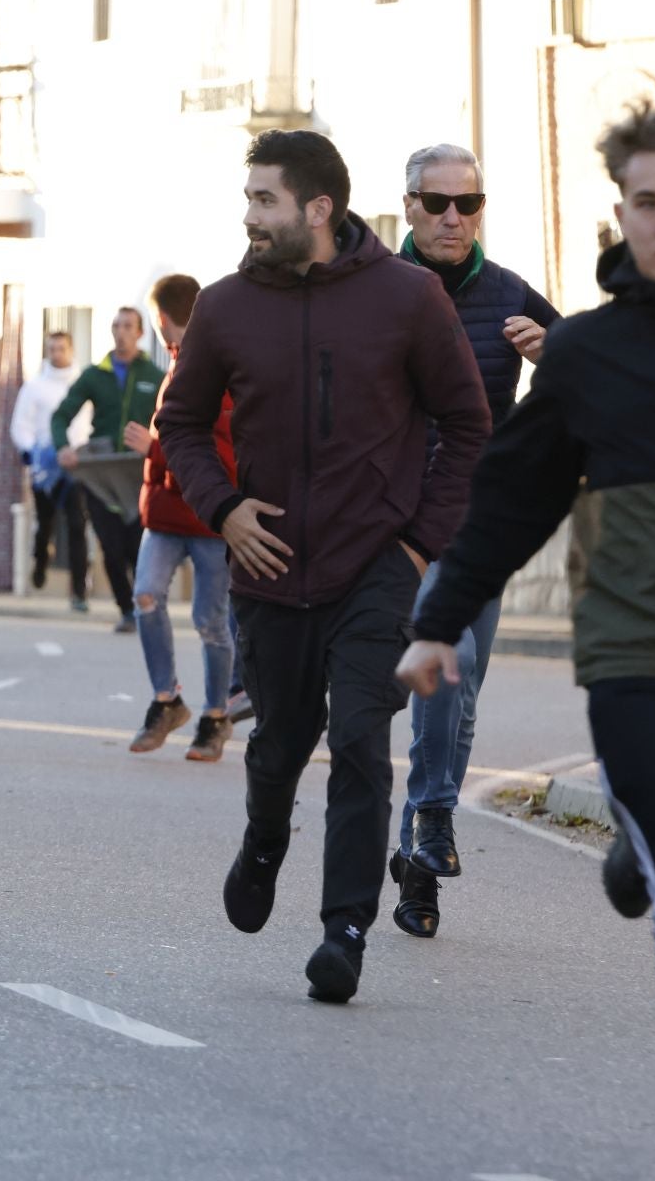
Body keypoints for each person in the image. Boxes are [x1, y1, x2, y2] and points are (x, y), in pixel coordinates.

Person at [398, 99, 655, 1145]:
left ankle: (638, 838)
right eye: (649, 203)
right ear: (620, 211)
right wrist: (439, 621)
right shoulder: (585, 355)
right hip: (641, 656)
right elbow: (514, 494)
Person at [157, 129, 489, 1004]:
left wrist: (419, 543)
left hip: (375, 566)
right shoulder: (226, 306)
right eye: (249, 199)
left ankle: (346, 929)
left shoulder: (410, 298)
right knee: (278, 749)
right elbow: (182, 427)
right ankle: (265, 841)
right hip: (267, 570)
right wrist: (223, 509)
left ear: (318, 209)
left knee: (359, 745)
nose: (249, 216)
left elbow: (467, 424)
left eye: (265, 199)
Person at [385, 142, 563, 940]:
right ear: (409, 207)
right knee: (442, 672)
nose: (453, 217)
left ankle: (419, 867)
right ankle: (432, 812)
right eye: (436, 202)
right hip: (393, 527)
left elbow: (591, 389)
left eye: (469, 202)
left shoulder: (511, 294)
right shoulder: (375, 292)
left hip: (479, 523)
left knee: (459, 703)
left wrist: (552, 360)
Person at [120, 274, 239, 762]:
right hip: (165, 513)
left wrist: (156, 449)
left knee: (210, 621)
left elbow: (226, 452)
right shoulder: (175, 363)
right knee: (145, 595)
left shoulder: (223, 367)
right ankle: (166, 700)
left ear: (162, 318)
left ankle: (215, 716)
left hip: (209, 516)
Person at [51, 307, 164, 632]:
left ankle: (146, 607)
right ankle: (127, 610)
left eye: (128, 326)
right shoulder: (93, 375)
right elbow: (61, 416)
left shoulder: (154, 376)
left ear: (140, 333)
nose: (121, 331)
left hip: (138, 474)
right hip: (100, 474)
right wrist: (63, 448)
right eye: (116, 325)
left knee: (137, 546)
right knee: (110, 547)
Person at [9, 330, 90, 607]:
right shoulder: (34, 387)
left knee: (77, 524)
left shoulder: (83, 384)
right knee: (45, 524)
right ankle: (41, 561)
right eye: (51, 349)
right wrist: (31, 452)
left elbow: (88, 423)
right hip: (45, 468)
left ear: (71, 350)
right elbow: (21, 425)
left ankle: (79, 591)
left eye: (61, 348)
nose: (56, 353)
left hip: (76, 466)